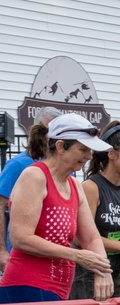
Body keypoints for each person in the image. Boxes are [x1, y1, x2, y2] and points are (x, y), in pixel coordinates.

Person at [0, 113, 113, 303]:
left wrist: (102, 270)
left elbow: (91, 237)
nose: (88, 156)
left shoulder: (75, 185)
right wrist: (76, 255)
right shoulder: (34, 177)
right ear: (60, 146)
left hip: (57, 289)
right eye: (83, 149)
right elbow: (20, 238)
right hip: (26, 286)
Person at [69, 121, 120, 300]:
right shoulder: (91, 187)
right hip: (87, 272)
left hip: (115, 271)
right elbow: (79, 237)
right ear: (111, 153)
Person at [0, 107, 63, 271]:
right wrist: (2, 252)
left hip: (56, 256)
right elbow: (0, 206)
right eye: (47, 131)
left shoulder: (63, 167)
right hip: (21, 254)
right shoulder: (18, 165)